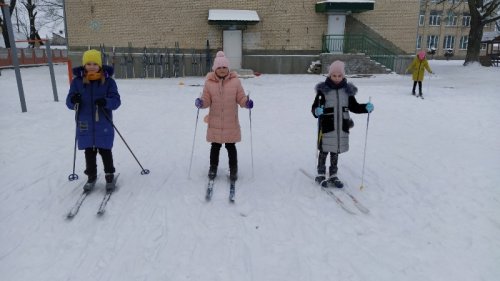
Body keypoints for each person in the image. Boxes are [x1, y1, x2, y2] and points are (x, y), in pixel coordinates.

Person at [311, 60, 373, 188]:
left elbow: (354, 107)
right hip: (327, 126)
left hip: (340, 128)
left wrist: (365, 107)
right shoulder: (323, 91)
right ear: (329, 76)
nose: (337, 78)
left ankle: (333, 174)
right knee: (324, 151)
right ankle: (321, 174)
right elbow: (314, 107)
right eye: (334, 76)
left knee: (335, 151)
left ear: (343, 76)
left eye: (339, 76)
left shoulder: (347, 91)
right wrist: (317, 111)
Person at [66, 49, 121, 191]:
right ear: (84, 65)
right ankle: (91, 176)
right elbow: (69, 102)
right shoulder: (77, 82)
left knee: (105, 150)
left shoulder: (108, 82)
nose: (91, 66)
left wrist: (106, 102)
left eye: (94, 63)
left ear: (100, 65)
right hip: (85, 123)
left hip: (103, 122)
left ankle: (109, 175)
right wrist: (73, 100)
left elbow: (116, 101)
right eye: (88, 63)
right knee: (89, 151)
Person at [194, 51, 253, 181]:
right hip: (215, 121)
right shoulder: (209, 83)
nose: (222, 70)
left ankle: (233, 169)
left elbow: (241, 98)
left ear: (228, 68)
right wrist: (201, 103)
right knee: (215, 147)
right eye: (219, 67)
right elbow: (206, 99)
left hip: (230, 122)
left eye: (224, 67)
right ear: (215, 69)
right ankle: (213, 167)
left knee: (231, 146)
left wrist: (246, 103)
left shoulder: (235, 82)